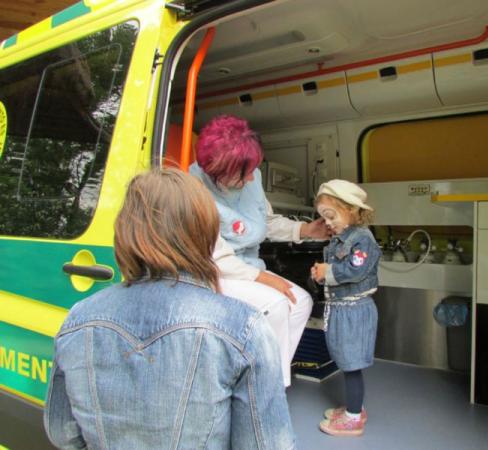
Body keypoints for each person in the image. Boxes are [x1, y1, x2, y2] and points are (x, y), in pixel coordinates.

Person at [44, 169, 295, 450]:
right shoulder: (245, 327)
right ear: (205, 233)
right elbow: (266, 444)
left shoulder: (78, 319)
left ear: (125, 231)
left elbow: (63, 434)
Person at [190, 115, 329, 386]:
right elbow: (215, 256)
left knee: (301, 302)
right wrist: (265, 278)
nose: (252, 177)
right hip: (214, 272)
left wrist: (306, 230)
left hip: (249, 267)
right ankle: (267, 389)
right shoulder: (192, 190)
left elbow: (264, 222)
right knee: (276, 305)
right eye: (245, 173)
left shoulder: (251, 178)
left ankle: (269, 381)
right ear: (219, 171)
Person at [310, 179, 380, 437]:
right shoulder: (341, 238)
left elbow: (355, 270)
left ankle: (353, 418)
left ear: (351, 209)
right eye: (323, 217)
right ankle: (354, 408)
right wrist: (321, 274)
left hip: (354, 310)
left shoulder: (362, 239)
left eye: (331, 216)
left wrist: (328, 271)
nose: (327, 222)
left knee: (351, 364)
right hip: (342, 308)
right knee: (345, 359)